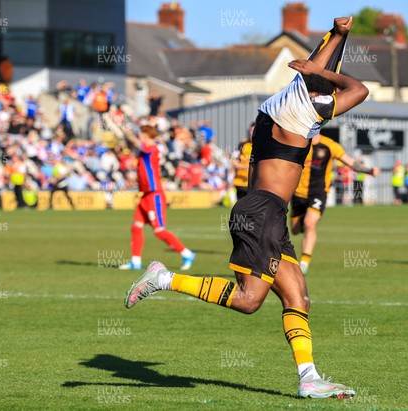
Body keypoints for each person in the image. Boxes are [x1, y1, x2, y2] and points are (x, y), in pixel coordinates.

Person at [124, 17, 369, 399]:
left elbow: (315, 75)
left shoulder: (280, 102)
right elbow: (358, 88)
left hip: (266, 212)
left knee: (297, 296)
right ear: (316, 91)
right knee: (248, 300)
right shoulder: (306, 111)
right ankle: (163, 278)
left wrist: (338, 35)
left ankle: (309, 378)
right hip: (262, 213)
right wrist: (322, 66)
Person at [291, 134, 378, 274]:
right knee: (294, 230)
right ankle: (301, 224)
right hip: (297, 194)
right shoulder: (298, 142)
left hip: (318, 193)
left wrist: (368, 170)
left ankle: (304, 263)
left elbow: (351, 162)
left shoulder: (330, 145)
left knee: (309, 223)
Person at [119, 124, 196, 271]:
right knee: (136, 227)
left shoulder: (152, 148)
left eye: (141, 134)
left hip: (154, 195)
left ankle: (187, 253)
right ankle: (135, 261)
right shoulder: (145, 150)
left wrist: (123, 126)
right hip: (146, 195)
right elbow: (131, 143)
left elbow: (134, 141)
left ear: (146, 135)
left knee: (159, 230)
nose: (139, 136)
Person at [232, 123, 254, 200]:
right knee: (241, 209)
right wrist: (251, 167)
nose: (252, 133)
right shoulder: (242, 144)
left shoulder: (262, 145)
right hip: (241, 183)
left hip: (255, 184)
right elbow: (234, 163)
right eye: (251, 131)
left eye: (254, 131)